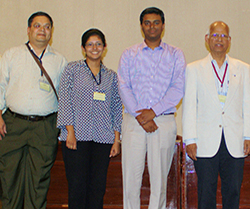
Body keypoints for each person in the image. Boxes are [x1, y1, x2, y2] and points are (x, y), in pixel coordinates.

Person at [118, 7, 186, 209]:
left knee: (159, 182)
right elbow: (123, 85)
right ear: (141, 26)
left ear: (163, 26)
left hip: (163, 121)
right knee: (130, 179)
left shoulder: (175, 54)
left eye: (156, 22)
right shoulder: (129, 54)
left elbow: (178, 87)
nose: (152, 26)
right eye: (147, 22)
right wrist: (141, 116)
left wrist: (153, 112)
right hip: (133, 120)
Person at [0, 11, 67, 209]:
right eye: (37, 26)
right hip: (12, 123)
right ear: (28, 30)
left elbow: (64, 96)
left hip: (45, 126)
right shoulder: (12, 55)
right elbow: (0, 85)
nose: (42, 30)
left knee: (39, 180)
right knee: (8, 175)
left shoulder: (59, 60)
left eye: (47, 27)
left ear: (51, 32)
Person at [182, 21, 250, 209]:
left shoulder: (244, 69)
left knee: (233, 191)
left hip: (235, 141)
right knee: (206, 192)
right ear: (207, 39)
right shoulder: (194, 69)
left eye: (223, 36)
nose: (219, 39)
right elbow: (189, 106)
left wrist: (248, 135)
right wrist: (190, 139)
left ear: (229, 40)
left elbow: (248, 104)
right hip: (204, 141)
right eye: (215, 35)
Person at [57, 28, 123, 209]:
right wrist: (70, 132)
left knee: (97, 188)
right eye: (90, 44)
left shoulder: (111, 76)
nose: (95, 48)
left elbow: (117, 108)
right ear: (83, 48)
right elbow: (65, 100)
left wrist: (117, 140)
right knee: (77, 187)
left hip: (103, 139)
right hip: (76, 138)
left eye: (98, 44)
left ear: (105, 47)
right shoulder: (72, 69)